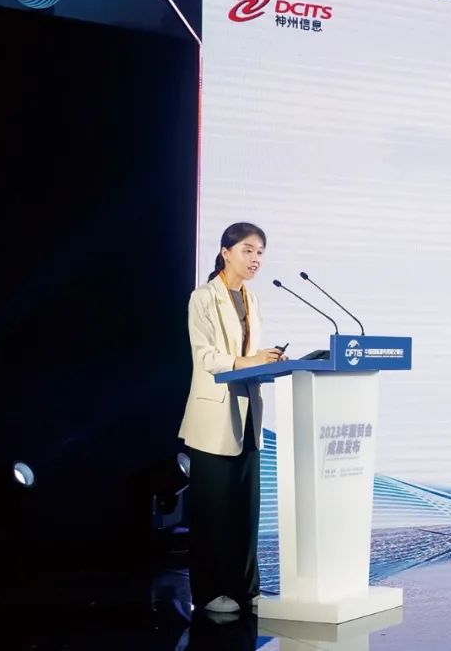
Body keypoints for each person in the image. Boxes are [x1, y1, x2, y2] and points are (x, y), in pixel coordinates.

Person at [179, 222, 285, 614]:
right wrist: (248, 360)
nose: (255, 259)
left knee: (245, 509)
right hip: (214, 416)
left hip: (248, 415)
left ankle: (245, 589)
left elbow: (249, 355)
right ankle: (210, 593)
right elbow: (205, 356)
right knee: (213, 512)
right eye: (248, 250)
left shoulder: (251, 299)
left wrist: (268, 360)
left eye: (260, 252)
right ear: (226, 253)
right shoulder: (203, 298)